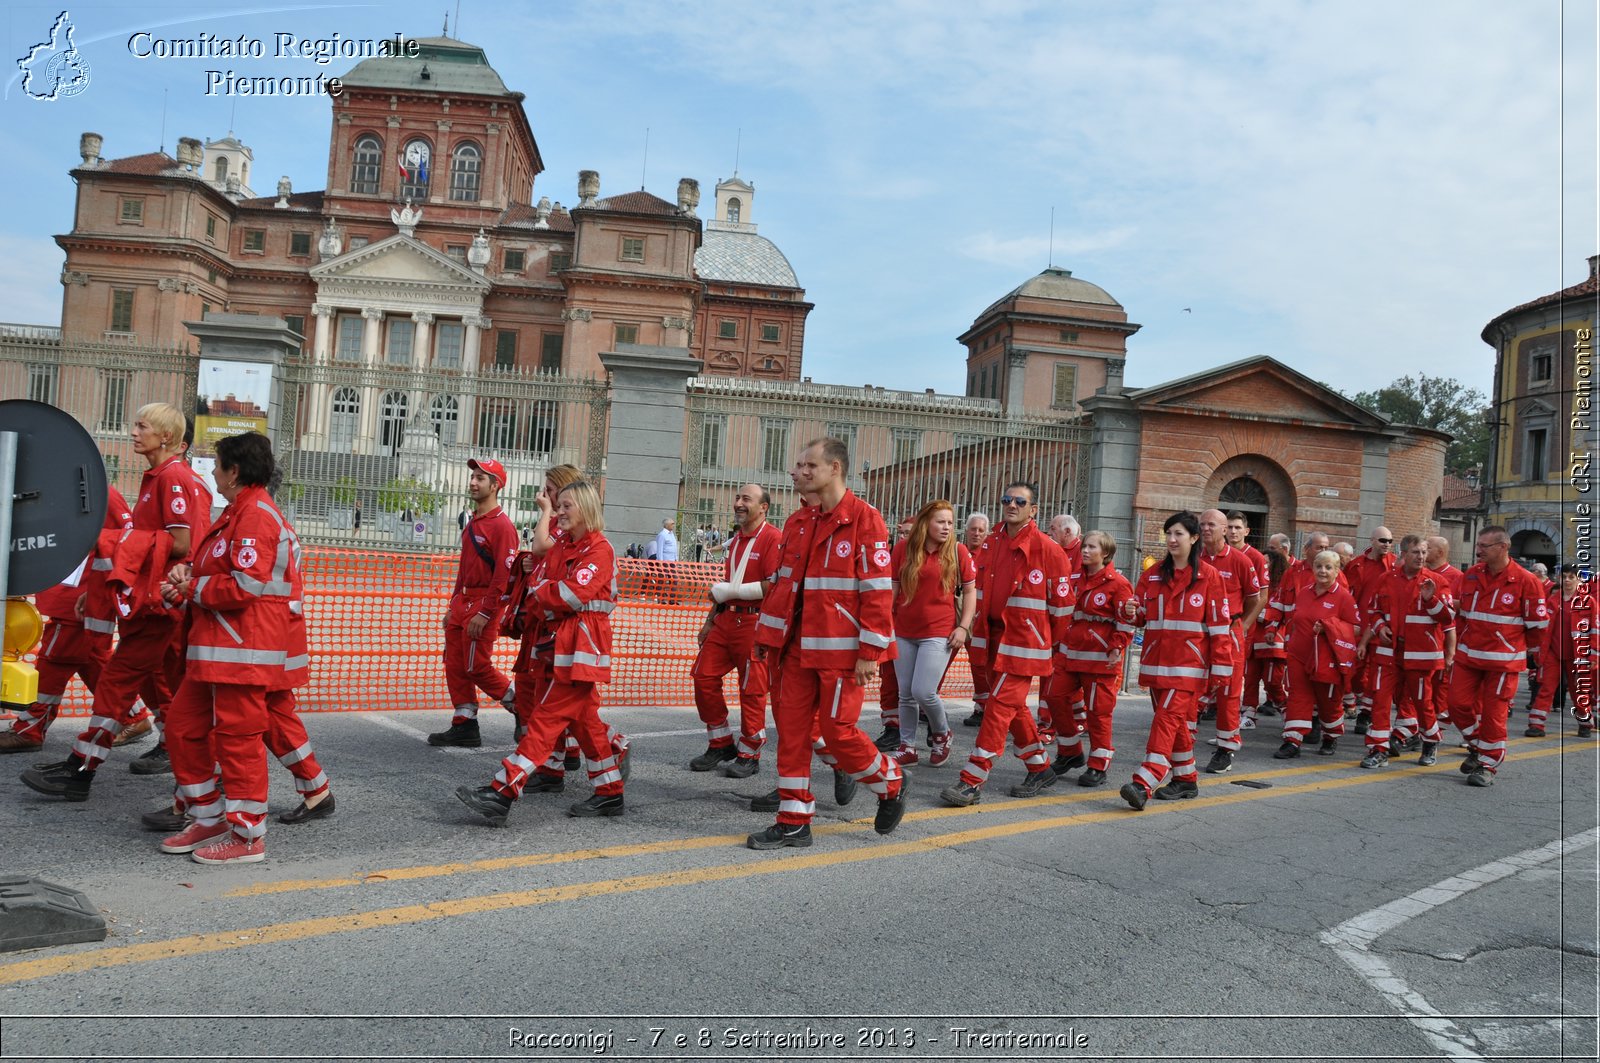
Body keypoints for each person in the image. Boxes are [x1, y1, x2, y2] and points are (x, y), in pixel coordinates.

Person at [22, 403, 210, 801]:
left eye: (142, 426)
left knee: (118, 682)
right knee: (162, 692)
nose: (133, 432)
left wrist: (111, 547)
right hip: (157, 605)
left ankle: (81, 770)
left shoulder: (172, 478)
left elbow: (181, 544)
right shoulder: (162, 477)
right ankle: (199, 775)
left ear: (166, 437)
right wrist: (99, 588)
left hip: (161, 607)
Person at [746, 437, 907, 849]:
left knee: (838, 733)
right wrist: (766, 636)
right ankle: (794, 820)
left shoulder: (865, 520)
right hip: (796, 650)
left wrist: (870, 652)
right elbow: (783, 587)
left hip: (842, 653)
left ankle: (891, 780)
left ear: (834, 468)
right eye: (797, 465)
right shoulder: (799, 523)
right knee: (794, 734)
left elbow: (877, 593)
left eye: (807, 466)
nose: (796, 472)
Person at [153, 432, 303, 864]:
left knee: (239, 742)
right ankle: (210, 816)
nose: (213, 472)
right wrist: (187, 580)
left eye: (217, 465)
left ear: (234, 471)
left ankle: (248, 835)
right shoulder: (239, 511)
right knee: (181, 726)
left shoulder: (255, 514)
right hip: (219, 651)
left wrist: (193, 586)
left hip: (243, 652)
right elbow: (221, 569)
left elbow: (246, 584)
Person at [457, 480, 627, 824]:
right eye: (557, 505)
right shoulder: (565, 543)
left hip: (581, 647)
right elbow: (541, 583)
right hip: (561, 644)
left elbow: (566, 594)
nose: (559, 512)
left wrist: (542, 590)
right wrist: (543, 590)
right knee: (585, 723)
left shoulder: (600, 549)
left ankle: (502, 790)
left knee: (545, 722)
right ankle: (610, 792)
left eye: (566, 506)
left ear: (585, 508)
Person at [939, 481, 1069, 807]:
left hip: (1025, 645)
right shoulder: (991, 543)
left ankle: (972, 779)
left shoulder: (1048, 550)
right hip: (992, 638)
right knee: (1013, 707)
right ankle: (1039, 767)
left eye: (1020, 501)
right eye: (1007, 500)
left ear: (1033, 509)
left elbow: (1062, 609)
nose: (1012, 505)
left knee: (997, 708)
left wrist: (1047, 642)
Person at [0, 485, 133, 754]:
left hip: (77, 596)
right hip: (71, 591)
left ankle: (30, 728)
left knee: (53, 660)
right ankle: (133, 716)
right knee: (90, 659)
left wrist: (100, 588)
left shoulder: (100, 492)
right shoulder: (56, 485)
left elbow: (128, 540)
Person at [1119, 511, 1231, 810]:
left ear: (1194, 539)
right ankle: (1186, 779)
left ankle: (1145, 781)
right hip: (1156, 663)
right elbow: (1141, 616)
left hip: (1189, 668)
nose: (1171, 539)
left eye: (1179, 534)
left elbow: (1220, 628)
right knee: (1176, 724)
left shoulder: (1210, 577)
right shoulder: (1152, 574)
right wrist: (1130, 611)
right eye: (1168, 533)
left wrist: (1221, 669)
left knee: (1166, 720)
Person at [689, 483, 782, 778]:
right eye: (738, 497)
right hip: (726, 620)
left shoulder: (772, 539)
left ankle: (749, 753)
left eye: (746, 499)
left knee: (751, 690)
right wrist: (709, 620)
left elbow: (773, 586)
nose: (739, 503)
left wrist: (728, 590)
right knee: (703, 677)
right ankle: (720, 743)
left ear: (763, 507)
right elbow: (727, 590)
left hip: (754, 622)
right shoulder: (738, 540)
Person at [428, 458, 519, 748]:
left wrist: (485, 611)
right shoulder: (473, 522)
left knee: (476, 666)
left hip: (482, 603)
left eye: (481, 478)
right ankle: (464, 724)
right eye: (473, 476)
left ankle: (522, 707)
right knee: (454, 664)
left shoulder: (503, 526)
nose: (473, 482)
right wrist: (452, 605)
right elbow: (463, 568)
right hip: (463, 602)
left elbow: (503, 576)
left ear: (496, 485)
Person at [1449, 526, 1549, 786]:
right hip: (1469, 656)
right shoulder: (1470, 575)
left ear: (1503, 547)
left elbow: (1538, 627)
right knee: (1456, 705)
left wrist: (1533, 658)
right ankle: (1479, 745)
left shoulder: (1527, 581)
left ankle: (1487, 765)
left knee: (1494, 715)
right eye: (1478, 545)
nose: (1478, 549)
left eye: (1484, 546)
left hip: (1503, 662)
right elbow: (1463, 614)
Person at [888, 500, 976, 768]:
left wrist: (962, 627)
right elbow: (891, 590)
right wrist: (884, 625)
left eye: (950, 522)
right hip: (903, 630)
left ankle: (942, 733)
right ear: (925, 523)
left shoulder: (958, 551)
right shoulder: (903, 549)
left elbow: (971, 592)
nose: (947, 527)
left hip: (939, 631)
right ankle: (908, 746)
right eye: (941, 522)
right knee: (905, 693)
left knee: (923, 691)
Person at [1357, 535, 1454, 768]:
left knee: (1423, 703)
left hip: (1420, 656)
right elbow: (1374, 611)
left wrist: (1431, 600)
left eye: (1423, 552)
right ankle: (1378, 749)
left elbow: (1448, 617)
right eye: (1415, 552)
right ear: (1403, 554)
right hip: (1388, 653)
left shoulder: (1436, 581)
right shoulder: (1386, 579)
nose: (1421, 557)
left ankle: (1430, 740)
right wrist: (1380, 627)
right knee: (1380, 701)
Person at [1053, 530, 1136, 787]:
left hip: (1100, 659)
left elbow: (1126, 622)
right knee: (1053, 697)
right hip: (1070, 654)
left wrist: (1116, 648)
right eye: (1084, 547)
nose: (1085, 551)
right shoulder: (1074, 578)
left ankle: (1098, 765)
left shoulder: (1118, 584)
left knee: (1098, 714)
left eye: (1091, 547)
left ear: (1106, 553)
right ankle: (1070, 752)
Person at [1269, 549, 1359, 759]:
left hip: (1326, 660)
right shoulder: (1304, 593)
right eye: (1319, 566)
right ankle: (1292, 741)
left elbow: (1355, 628)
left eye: (1328, 567)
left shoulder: (1343, 597)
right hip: (1299, 655)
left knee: (1328, 701)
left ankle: (1330, 736)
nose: (1323, 571)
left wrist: (1330, 626)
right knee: (1298, 698)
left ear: (1337, 571)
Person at [1196, 508, 1263, 773]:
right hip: (1199, 633)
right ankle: (1179, 745)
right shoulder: (1194, 559)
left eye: (1211, 524)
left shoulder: (1240, 561)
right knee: (1194, 688)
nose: (1205, 529)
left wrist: (1242, 626)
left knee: (1228, 692)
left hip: (1228, 632)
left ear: (1224, 529)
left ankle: (1225, 749)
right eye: (1202, 524)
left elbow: (1254, 598)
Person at [1528, 564, 1595, 738]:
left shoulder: (1588, 602)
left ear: (1579, 580)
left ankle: (1585, 722)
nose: (1567, 580)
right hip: (1553, 653)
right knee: (1546, 688)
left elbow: (1595, 630)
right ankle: (1536, 724)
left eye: (1571, 577)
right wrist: (1538, 651)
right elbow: (1543, 629)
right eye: (1564, 576)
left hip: (1576, 655)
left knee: (1578, 691)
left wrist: (1593, 654)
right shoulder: (1553, 600)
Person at [1343, 527, 1396, 733]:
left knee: (1377, 677)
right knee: (1354, 673)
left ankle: (1366, 714)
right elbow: (1348, 597)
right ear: (1372, 540)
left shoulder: (1394, 565)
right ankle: (1357, 704)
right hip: (1359, 629)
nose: (1387, 544)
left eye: (1390, 541)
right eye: (1383, 540)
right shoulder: (1356, 565)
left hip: (1382, 631)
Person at [960, 512, 992, 728]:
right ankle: (925, 705)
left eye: (981, 530)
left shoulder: (991, 555)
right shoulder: (956, 552)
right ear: (966, 530)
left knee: (979, 664)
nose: (977, 533)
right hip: (953, 614)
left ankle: (982, 707)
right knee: (938, 661)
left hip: (980, 619)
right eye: (973, 529)